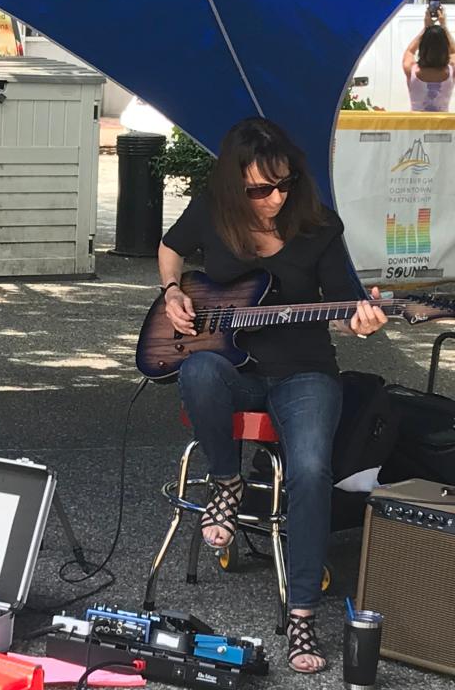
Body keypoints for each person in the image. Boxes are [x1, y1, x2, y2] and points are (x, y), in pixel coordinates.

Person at [157, 118, 387, 674]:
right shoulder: (213, 209)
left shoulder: (316, 225)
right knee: (198, 373)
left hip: (304, 370)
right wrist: (171, 294)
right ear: (236, 186)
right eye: (261, 190)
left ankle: (303, 613)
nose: (276, 199)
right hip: (234, 368)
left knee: (309, 469)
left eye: (284, 184)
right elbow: (170, 248)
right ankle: (227, 481)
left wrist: (361, 321)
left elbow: (343, 304)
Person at [402, 6, 455, 111]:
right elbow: (453, 51)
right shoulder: (451, 70)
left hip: (417, 125)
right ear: (445, 49)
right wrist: (444, 26)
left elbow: (410, 51)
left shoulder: (411, 69)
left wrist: (426, 28)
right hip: (442, 126)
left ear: (422, 48)